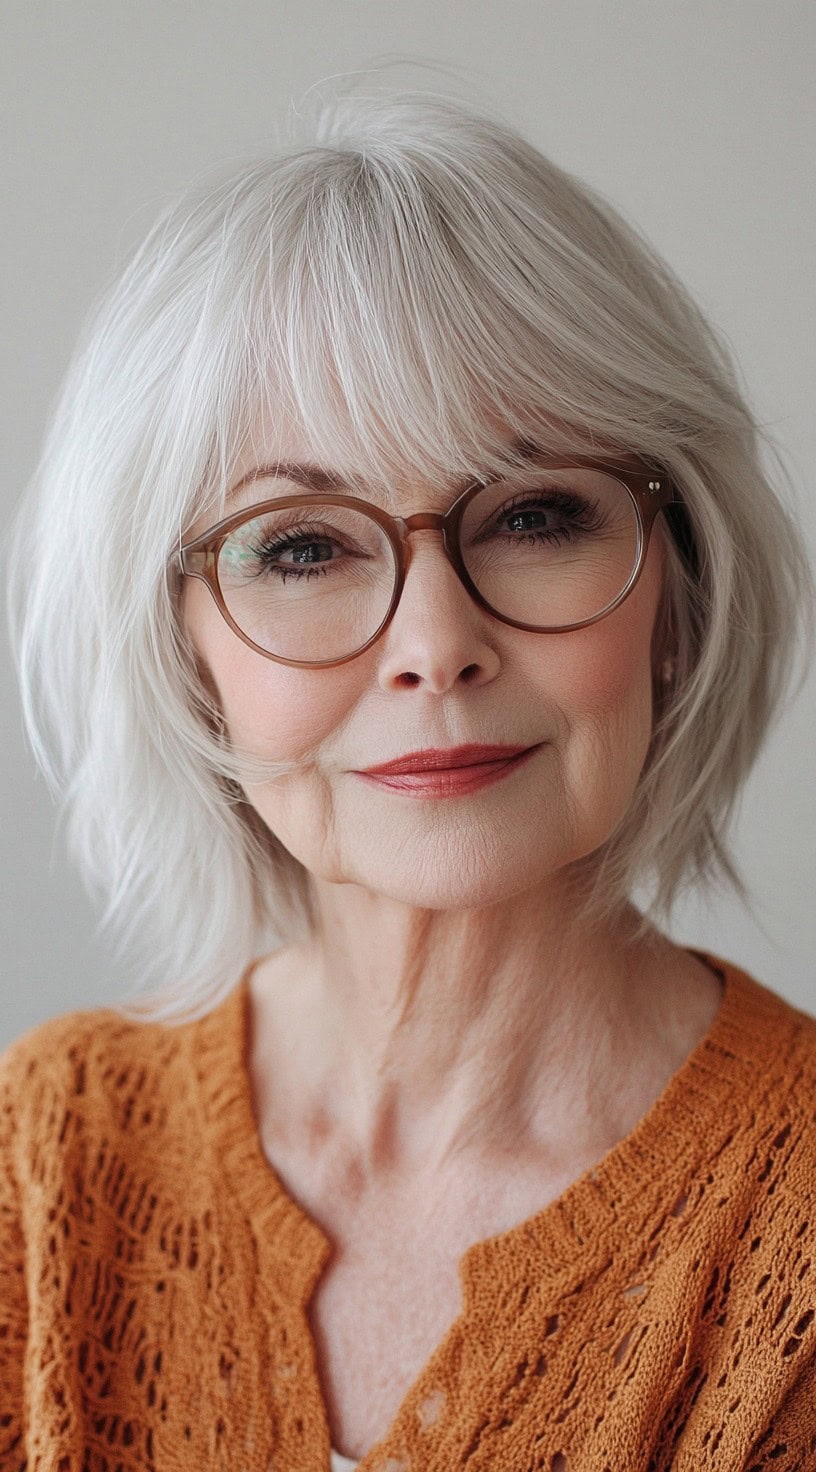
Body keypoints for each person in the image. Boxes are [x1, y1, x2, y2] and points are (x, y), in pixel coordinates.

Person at [2, 87, 815, 1472]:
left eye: (537, 515)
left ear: (678, 594)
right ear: (184, 644)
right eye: (302, 546)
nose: (436, 647)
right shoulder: (51, 1154)